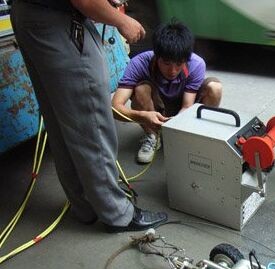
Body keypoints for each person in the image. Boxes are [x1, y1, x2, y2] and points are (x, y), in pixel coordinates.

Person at [11, 0, 168, 232]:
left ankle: (86, 204)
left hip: (33, 14)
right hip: (57, 20)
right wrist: (122, 21)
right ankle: (116, 213)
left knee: (64, 121)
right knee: (90, 117)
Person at [112, 19, 222, 163]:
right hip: (156, 108)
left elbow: (187, 105)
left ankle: (196, 133)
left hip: (183, 107)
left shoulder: (196, 64)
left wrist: (178, 120)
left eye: (179, 63)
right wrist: (142, 116)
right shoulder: (139, 63)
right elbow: (116, 108)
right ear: (156, 55)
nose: (173, 70)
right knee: (140, 89)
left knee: (215, 88)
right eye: (166, 63)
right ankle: (153, 136)